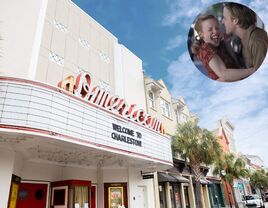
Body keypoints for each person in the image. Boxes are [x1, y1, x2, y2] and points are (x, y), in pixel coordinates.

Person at [192, 14, 255, 82]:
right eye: (210, 29)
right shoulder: (206, 49)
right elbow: (224, 74)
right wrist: (253, 70)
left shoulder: (219, 45)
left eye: (217, 28)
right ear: (201, 34)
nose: (215, 31)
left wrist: (226, 43)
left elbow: (235, 63)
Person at [223, 2, 268, 70]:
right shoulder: (242, 40)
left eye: (225, 18)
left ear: (235, 20)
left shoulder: (256, 41)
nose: (222, 21)